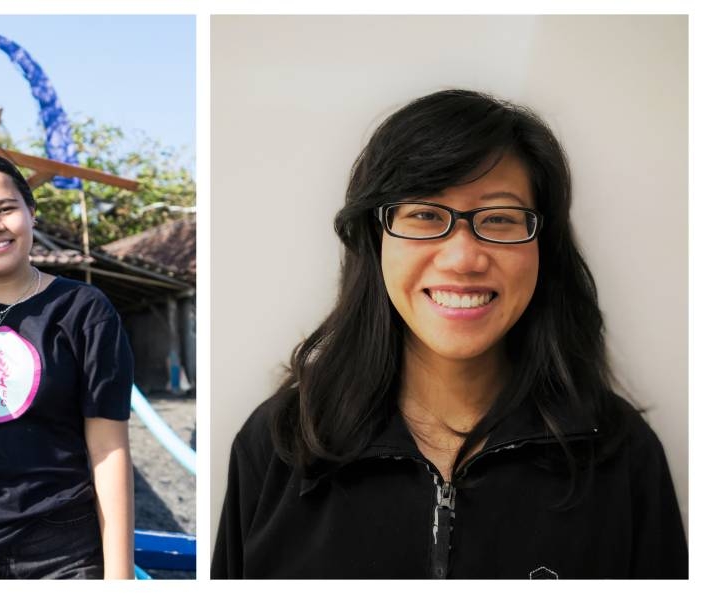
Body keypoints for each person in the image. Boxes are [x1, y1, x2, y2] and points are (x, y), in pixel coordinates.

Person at [211, 89, 688, 579]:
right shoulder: (281, 443)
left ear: (544, 248)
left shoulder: (620, 453)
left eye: (500, 219)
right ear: (376, 241)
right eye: (424, 214)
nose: (462, 258)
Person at [0, 154, 135, 579]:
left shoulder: (84, 310)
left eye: (6, 209)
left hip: (62, 552)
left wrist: (120, 575)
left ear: (31, 213)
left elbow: (109, 449)